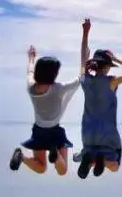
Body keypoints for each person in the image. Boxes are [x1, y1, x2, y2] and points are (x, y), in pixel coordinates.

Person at [75, 18, 122, 179]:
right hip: (108, 136)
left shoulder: (85, 79)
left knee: (90, 153)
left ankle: (89, 160)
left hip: (88, 134)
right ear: (106, 66)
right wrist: (116, 59)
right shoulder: (112, 82)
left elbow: (83, 58)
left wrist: (85, 32)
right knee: (115, 165)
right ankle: (100, 160)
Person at [9, 45, 81, 177]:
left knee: (41, 168)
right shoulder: (59, 88)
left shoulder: (31, 88)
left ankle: (22, 157)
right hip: (55, 131)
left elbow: (30, 72)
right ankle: (56, 154)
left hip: (39, 131)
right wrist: (85, 63)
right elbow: (80, 79)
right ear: (53, 74)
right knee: (62, 171)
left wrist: (31, 58)